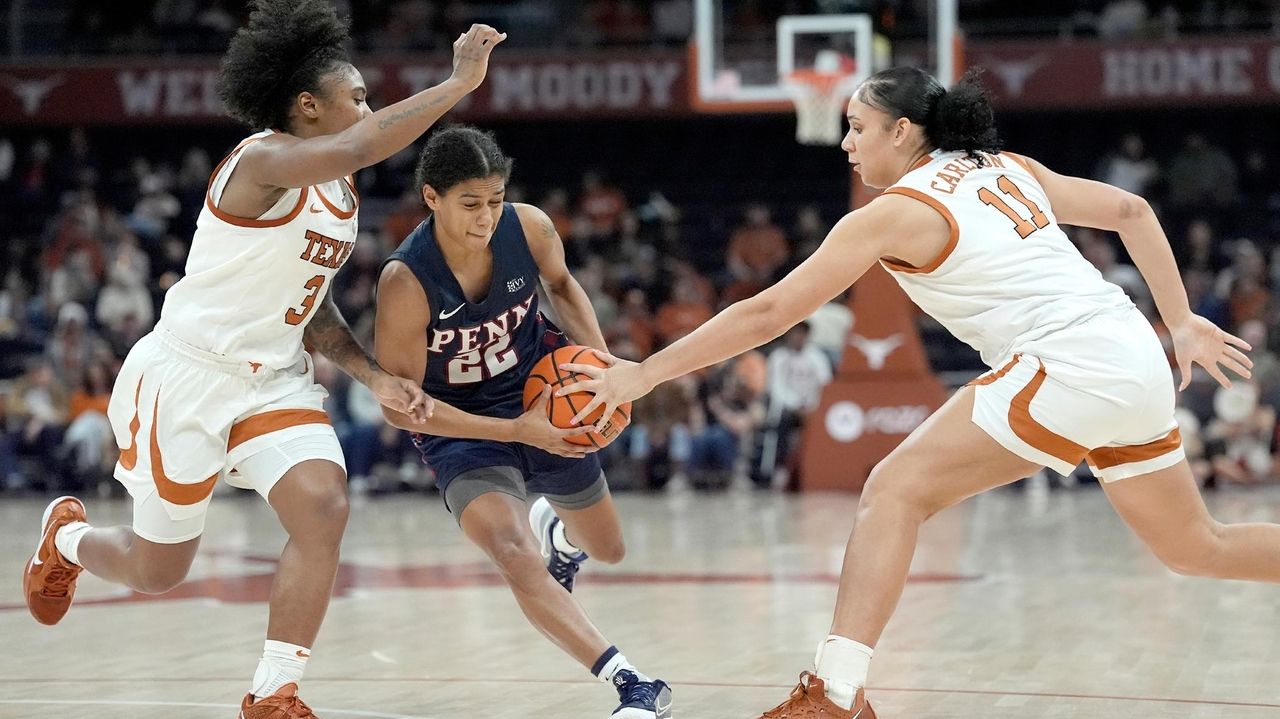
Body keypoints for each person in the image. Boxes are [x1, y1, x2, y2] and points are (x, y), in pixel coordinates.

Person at [558, 67, 1270, 719]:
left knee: (892, 491)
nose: (845, 143)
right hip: (1133, 348)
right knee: (1195, 545)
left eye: (858, 127)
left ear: (904, 131)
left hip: (1069, 361)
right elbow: (1133, 211)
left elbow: (770, 313)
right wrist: (1179, 322)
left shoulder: (892, 213)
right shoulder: (1007, 165)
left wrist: (642, 373)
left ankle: (835, 696)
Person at [23, 3, 505, 717]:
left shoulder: (337, 195)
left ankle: (273, 691)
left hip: (273, 378)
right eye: (358, 97)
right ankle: (66, 538)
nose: (368, 107)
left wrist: (372, 374)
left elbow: (310, 307)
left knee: (323, 506)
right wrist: (458, 83)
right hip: (189, 376)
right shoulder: (260, 161)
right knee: (159, 570)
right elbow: (360, 145)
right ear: (308, 107)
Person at [374, 125, 672, 719]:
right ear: (431, 198)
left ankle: (559, 534)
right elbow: (398, 403)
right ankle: (632, 684)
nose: (486, 217)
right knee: (512, 551)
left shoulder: (528, 226)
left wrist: (608, 368)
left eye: (494, 199)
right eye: (469, 204)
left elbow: (561, 286)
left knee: (608, 550)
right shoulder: (406, 280)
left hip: (543, 389)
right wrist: (513, 432)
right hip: (461, 427)